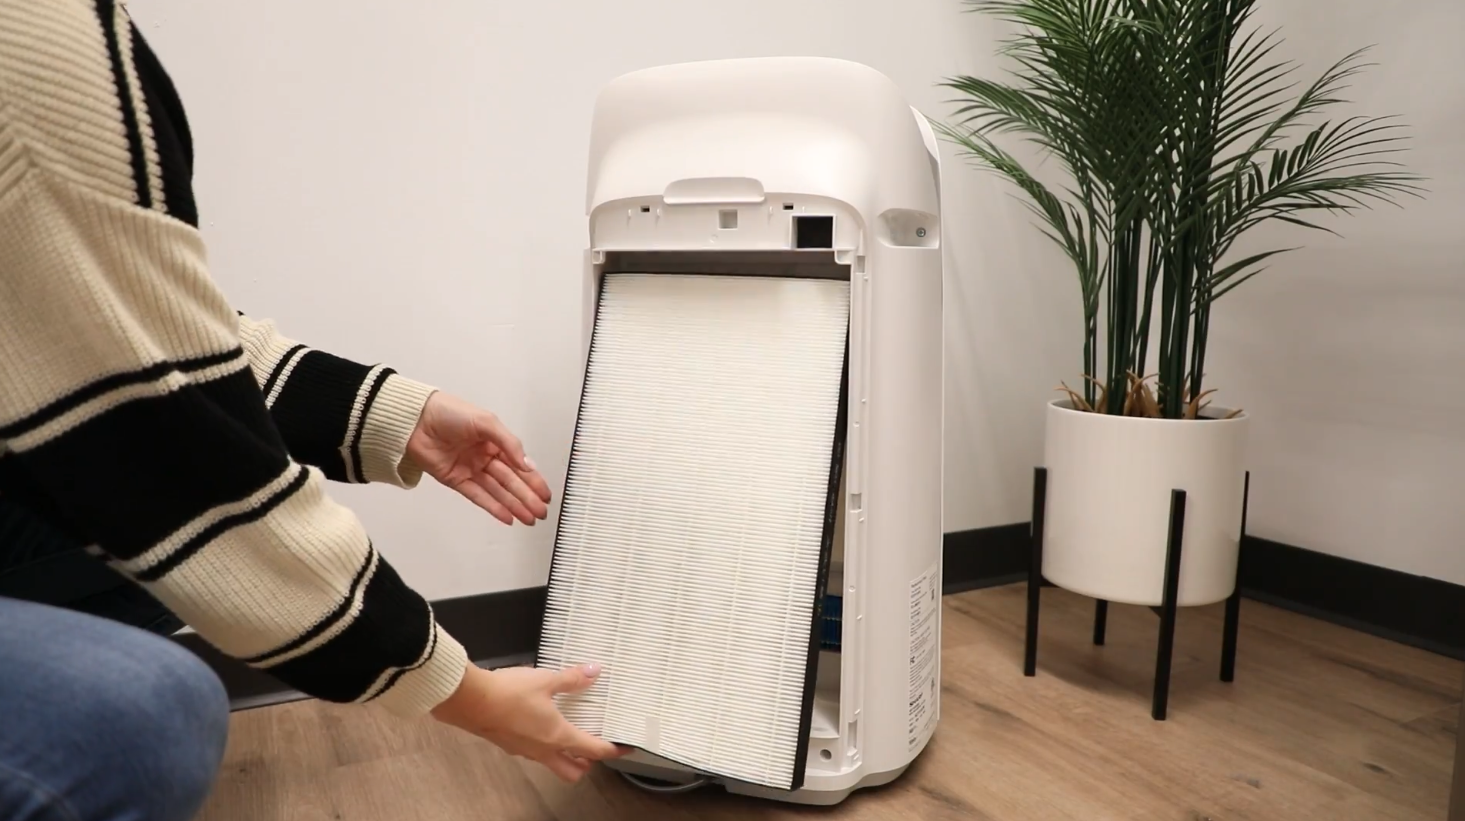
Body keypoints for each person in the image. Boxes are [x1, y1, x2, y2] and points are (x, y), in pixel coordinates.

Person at [0, 2, 622, 819]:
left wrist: (388, 412)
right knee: (139, 716)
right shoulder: (31, 45)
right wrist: (466, 692)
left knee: (127, 568)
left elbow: (124, 326)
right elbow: (158, 440)